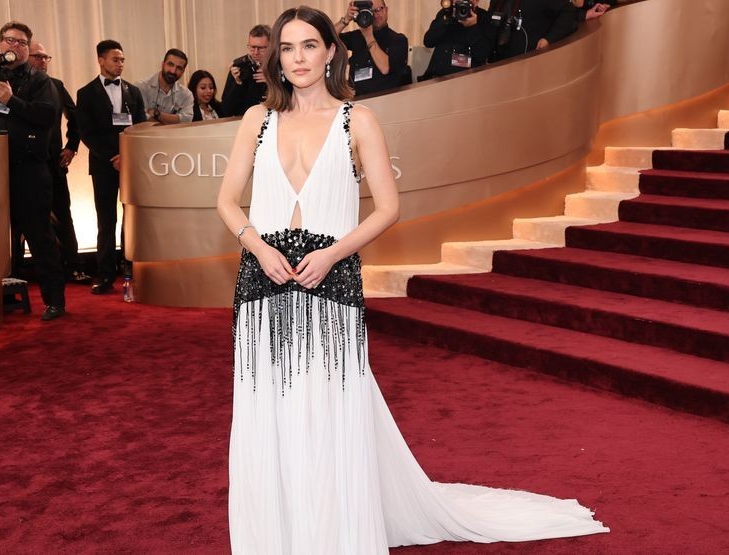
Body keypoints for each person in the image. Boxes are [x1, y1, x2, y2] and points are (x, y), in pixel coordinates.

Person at [216, 6, 609, 553]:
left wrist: (332, 255)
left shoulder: (357, 120)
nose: (298, 58)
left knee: (330, 408)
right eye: (287, 48)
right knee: (269, 412)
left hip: (329, 279)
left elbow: (387, 209)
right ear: (275, 58)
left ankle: (332, 533)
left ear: (331, 51)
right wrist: (257, 246)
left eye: (309, 46)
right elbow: (226, 201)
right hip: (264, 281)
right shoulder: (257, 118)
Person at [0, 21, 67, 321]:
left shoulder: (39, 80)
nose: (14, 46)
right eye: (9, 40)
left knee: (39, 236)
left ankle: (55, 300)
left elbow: (48, 116)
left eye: (21, 42)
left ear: (28, 48)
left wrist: (13, 100)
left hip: (30, 170)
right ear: (0, 43)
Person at [76, 40, 147, 294]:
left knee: (132, 218)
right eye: (115, 59)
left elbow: (141, 127)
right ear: (101, 60)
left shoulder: (133, 91)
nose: (120, 64)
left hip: (130, 165)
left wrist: (127, 156)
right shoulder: (86, 93)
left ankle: (131, 268)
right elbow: (86, 132)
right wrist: (112, 157)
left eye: (123, 60)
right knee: (106, 220)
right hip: (104, 165)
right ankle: (105, 274)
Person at [27, 41, 90, 284]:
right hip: (23, 163)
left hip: (54, 161)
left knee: (63, 214)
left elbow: (76, 117)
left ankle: (73, 265)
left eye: (46, 57)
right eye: (38, 57)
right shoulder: (12, 85)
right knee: (27, 219)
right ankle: (22, 269)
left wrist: (72, 146)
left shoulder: (55, 85)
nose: (43, 61)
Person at [334, 0, 410, 96]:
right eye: (370, 11)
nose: (375, 15)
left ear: (386, 10)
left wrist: (368, 36)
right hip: (358, 100)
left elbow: (385, 68)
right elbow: (327, 39)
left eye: (378, 10)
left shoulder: (398, 39)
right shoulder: (356, 36)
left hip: (387, 100)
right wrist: (345, 20)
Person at [420, 0, 495, 80]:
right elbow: (428, 42)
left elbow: (482, 55)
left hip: (465, 81)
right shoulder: (446, 13)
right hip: (435, 78)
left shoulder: (485, 18)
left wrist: (472, 27)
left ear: (476, 1)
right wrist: (445, 20)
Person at [221, 25, 271, 117]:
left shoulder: (280, 66)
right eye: (252, 47)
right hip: (245, 121)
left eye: (261, 48)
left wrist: (273, 81)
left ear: (271, 47)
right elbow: (226, 110)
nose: (256, 52)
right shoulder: (239, 66)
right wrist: (237, 83)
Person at [135, 49, 193, 125]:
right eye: (170, 64)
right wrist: (173, 120)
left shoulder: (186, 94)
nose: (173, 71)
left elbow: (186, 120)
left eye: (179, 68)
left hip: (175, 136)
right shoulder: (141, 87)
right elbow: (142, 118)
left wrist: (157, 114)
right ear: (162, 64)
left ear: (183, 71)